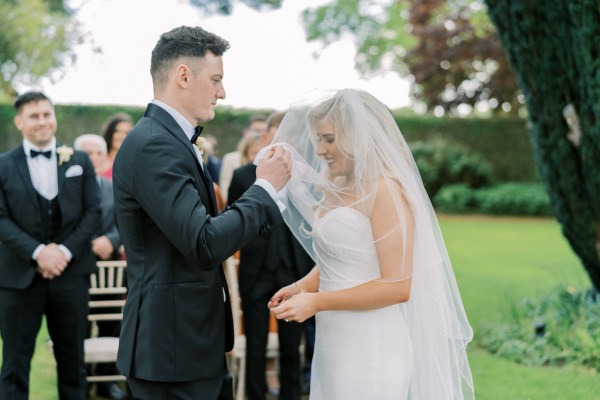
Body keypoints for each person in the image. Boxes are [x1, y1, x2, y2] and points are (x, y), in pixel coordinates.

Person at [112, 25, 292, 400]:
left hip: (187, 345)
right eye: (215, 79)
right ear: (183, 75)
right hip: (171, 351)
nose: (222, 92)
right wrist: (264, 189)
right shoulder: (154, 146)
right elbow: (203, 242)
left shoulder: (169, 140)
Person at [266, 88, 474, 399]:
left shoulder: (385, 190)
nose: (319, 150)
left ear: (358, 137)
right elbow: (345, 257)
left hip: (372, 341)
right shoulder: (339, 185)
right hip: (335, 337)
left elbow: (397, 287)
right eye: (318, 139)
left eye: (329, 139)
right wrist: (303, 287)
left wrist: (317, 302)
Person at [0, 91, 101, 399]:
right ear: (19, 122)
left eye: (47, 114)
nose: (42, 121)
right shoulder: (3, 165)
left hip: (70, 277)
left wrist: (63, 252)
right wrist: (38, 252)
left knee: (73, 365)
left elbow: (93, 212)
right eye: (34, 116)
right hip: (18, 279)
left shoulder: (79, 160)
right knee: (14, 366)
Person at [227, 112, 314, 400]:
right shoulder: (243, 176)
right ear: (267, 138)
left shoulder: (307, 179)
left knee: (292, 347)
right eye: (278, 137)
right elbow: (235, 221)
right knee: (256, 346)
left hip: (294, 271)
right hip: (257, 270)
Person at [73, 134, 127, 400]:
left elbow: (126, 225)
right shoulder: (67, 188)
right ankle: (80, 380)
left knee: (111, 325)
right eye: (87, 152)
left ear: (105, 157)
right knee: (78, 326)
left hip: (111, 269)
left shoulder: (113, 187)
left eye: (98, 153)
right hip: (77, 269)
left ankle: (107, 381)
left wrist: (112, 239)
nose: (93, 158)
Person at [218, 114, 267, 200]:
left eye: (264, 131)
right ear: (246, 132)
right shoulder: (231, 159)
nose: (260, 134)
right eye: (256, 131)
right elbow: (225, 191)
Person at [100, 113, 133, 179]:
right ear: (110, 132)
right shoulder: (98, 159)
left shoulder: (134, 163)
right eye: (117, 131)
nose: (122, 136)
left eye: (127, 132)